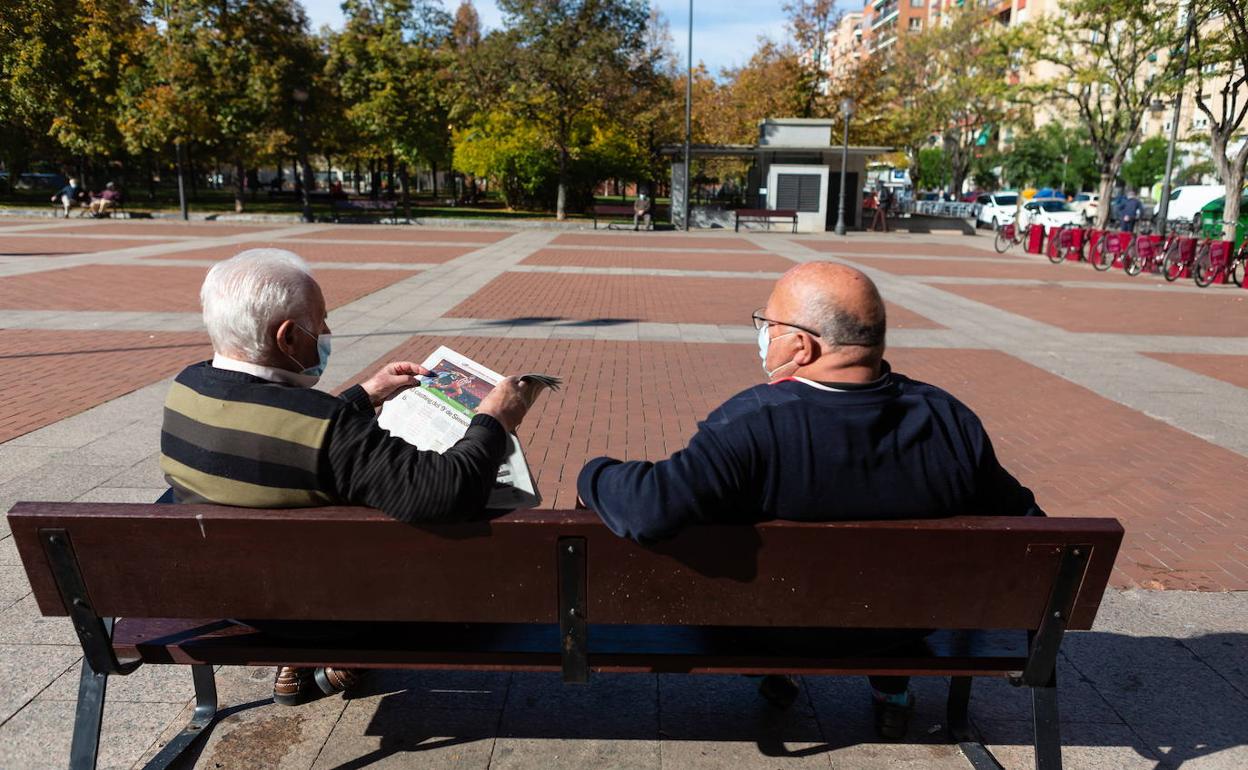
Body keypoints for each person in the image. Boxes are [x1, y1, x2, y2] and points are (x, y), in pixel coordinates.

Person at [576, 262, 1042, 740]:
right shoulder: (949, 420)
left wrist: (594, 472)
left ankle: (776, 671)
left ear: (802, 344)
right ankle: (892, 688)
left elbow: (649, 509)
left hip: (766, 631)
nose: (763, 336)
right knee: (883, 589)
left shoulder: (753, 425)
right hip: (900, 632)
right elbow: (1028, 524)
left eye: (768, 325)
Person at [161, 248, 541, 707]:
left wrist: (366, 395)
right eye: (319, 322)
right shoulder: (327, 427)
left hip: (233, 594)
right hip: (322, 609)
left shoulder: (188, 387)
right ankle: (348, 655)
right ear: (286, 338)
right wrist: (494, 419)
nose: (325, 333)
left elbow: (283, 432)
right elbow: (448, 490)